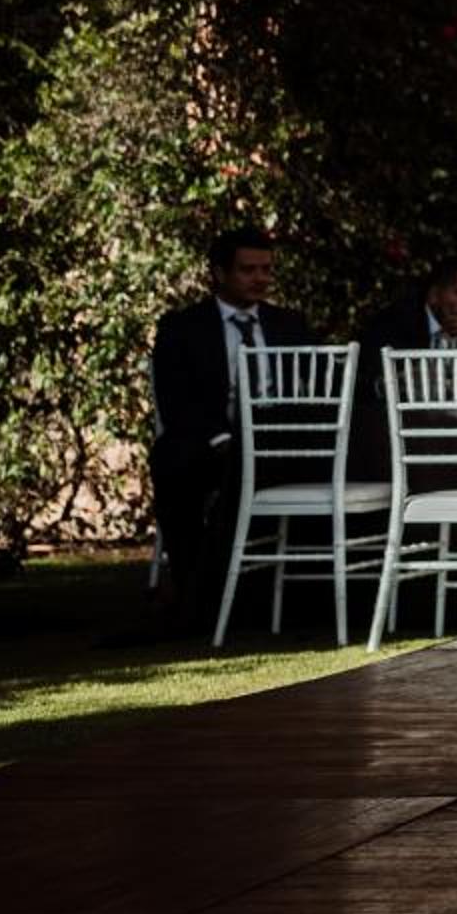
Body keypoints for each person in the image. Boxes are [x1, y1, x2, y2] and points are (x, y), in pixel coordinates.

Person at [149, 228, 321, 629]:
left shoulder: (288, 324)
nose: (260, 278)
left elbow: (318, 379)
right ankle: (197, 595)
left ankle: (298, 598)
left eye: (266, 269)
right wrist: (222, 440)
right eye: (248, 270)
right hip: (215, 443)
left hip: (282, 444)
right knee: (174, 462)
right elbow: (176, 402)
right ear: (219, 272)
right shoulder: (183, 327)